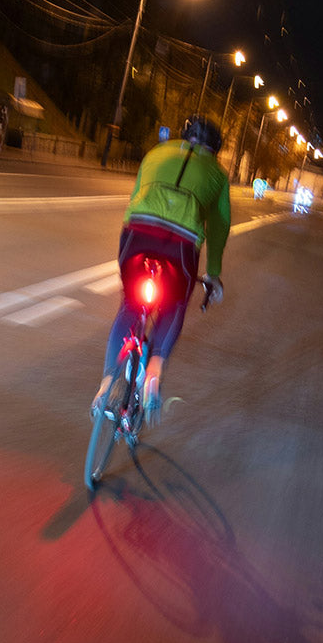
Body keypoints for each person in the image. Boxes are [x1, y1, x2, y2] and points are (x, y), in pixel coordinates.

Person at [92, 115, 231, 425]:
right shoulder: (219, 174)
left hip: (137, 231)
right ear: (215, 149)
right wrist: (212, 274)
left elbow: (136, 195)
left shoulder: (156, 152)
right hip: (180, 243)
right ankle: (154, 370)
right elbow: (219, 226)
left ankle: (105, 386)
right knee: (174, 305)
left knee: (130, 303)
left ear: (184, 136)